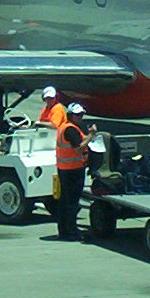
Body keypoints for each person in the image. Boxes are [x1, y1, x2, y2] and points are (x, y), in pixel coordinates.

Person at [55, 103, 92, 241]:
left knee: (65, 201)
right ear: (70, 115)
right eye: (77, 115)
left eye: (81, 114)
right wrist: (91, 135)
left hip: (65, 169)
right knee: (72, 203)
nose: (80, 117)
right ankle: (71, 232)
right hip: (73, 170)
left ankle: (64, 231)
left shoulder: (65, 127)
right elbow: (79, 149)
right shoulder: (70, 130)